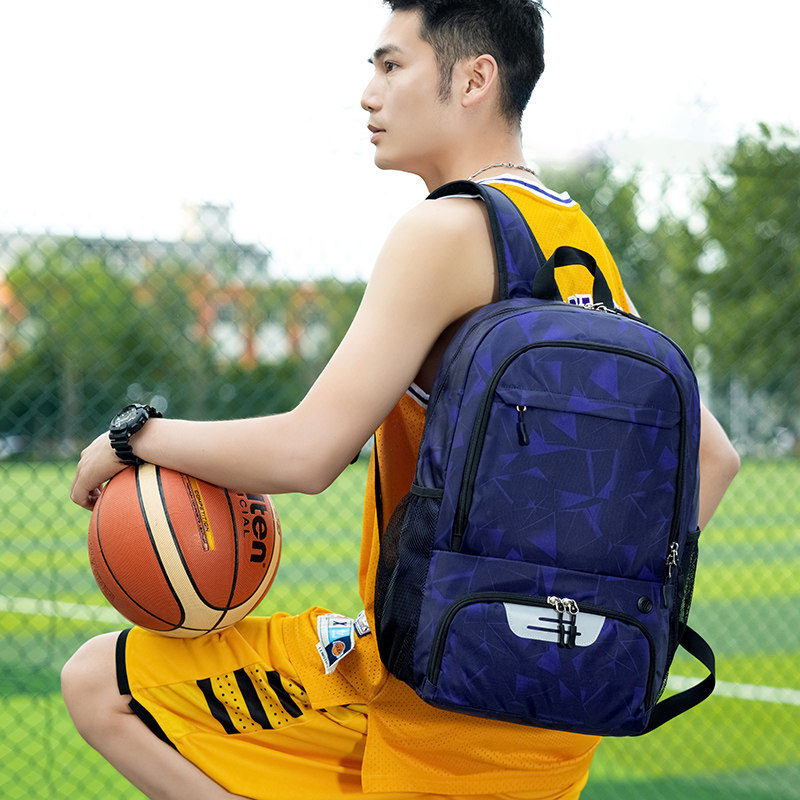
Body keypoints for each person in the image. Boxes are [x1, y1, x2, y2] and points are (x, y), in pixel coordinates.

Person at [62, 2, 741, 799]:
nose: (368, 93)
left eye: (391, 65)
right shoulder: (574, 237)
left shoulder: (445, 229)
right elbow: (713, 459)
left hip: (425, 698)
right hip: (557, 713)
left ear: (475, 79)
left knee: (100, 686)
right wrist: (564, 610)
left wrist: (133, 438)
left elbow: (309, 453)